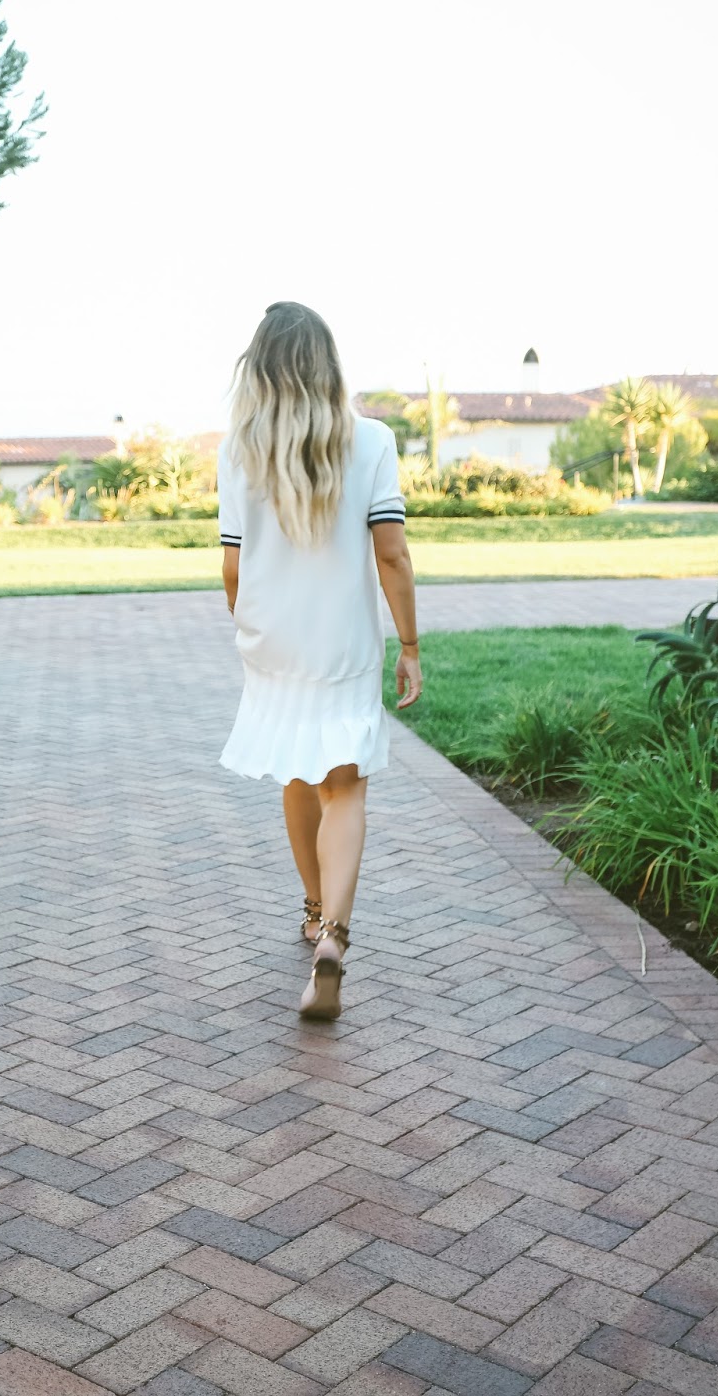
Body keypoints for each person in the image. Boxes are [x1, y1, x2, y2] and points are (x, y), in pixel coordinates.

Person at [218, 302, 423, 1021]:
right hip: (344, 643)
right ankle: (333, 934)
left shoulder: (240, 448)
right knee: (346, 785)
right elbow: (391, 554)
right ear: (328, 362)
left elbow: (232, 564)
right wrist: (410, 644)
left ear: (262, 366)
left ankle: (311, 911)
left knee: (298, 769)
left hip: (275, 641)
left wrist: (250, 628)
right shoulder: (372, 441)